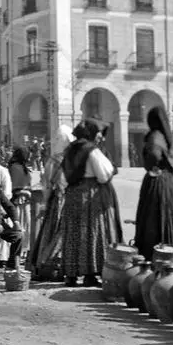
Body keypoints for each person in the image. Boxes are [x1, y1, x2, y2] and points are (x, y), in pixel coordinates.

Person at [59, 119, 117, 287]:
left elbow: (63, 174)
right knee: (90, 232)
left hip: (72, 194)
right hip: (88, 193)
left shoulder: (69, 150)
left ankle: (70, 274)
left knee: (73, 233)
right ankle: (89, 273)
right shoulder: (92, 151)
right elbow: (104, 174)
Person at [134, 106, 173, 261]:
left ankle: (152, 256)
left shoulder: (155, 136)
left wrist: (152, 165)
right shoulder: (172, 138)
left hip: (157, 182)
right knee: (172, 218)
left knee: (154, 219)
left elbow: (153, 155)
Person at [30, 125, 73, 281]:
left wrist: (45, 203)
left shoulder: (54, 160)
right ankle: (64, 268)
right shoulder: (75, 159)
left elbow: (47, 184)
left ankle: (48, 265)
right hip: (70, 200)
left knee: (52, 231)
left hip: (58, 201)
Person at [90, 118, 123, 246]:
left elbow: (114, 168)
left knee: (108, 220)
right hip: (98, 189)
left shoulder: (103, 151)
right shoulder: (92, 150)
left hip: (105, 189)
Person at [7, 146, 32, 257]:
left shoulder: (22, 167)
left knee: (26, 225)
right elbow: (15, 186)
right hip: (18, 200)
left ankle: (23, 251)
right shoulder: (15, 167)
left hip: (25, 200)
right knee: (20, 225)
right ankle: (19, 251)